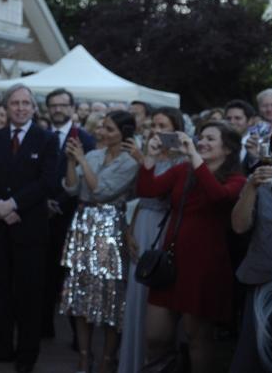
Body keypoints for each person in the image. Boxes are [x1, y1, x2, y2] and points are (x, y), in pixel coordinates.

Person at [137, 121, 246, 373]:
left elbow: (217, 196)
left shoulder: (237, 179)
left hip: (204, 266)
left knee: (197, 338)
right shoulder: (183, 170)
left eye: (210, 139)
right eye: (201, 137)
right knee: (155, 336)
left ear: (228, 148)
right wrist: (150, 158)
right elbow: (147, 189)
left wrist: (195, 157)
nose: (202, 142)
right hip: (171, 262)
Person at [0, 84, 58, 372]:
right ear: (7, 107)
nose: (20, 108)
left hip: (29, 230)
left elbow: (48, 182)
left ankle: (26, 355)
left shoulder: (46, 140)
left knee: (28, 295)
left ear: (34, 108)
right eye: (15, 103)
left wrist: (13, 204)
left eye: (25, 103)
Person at [59, 110, 139, 373]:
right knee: (80, 292)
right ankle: (84, 356)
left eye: (109, 129)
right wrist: (72, 161)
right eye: (102, 127)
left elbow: (101, 190)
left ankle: (107, 358)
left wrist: (81, 159)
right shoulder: (93, 155)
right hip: (83, 225)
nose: (102, 132)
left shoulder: (130, 163)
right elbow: (72, 188)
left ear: (124, 134)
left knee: (110, 296)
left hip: (110, 228)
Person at [118, 106, 186, 372]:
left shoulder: (182, 161)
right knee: (136, 295)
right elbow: (140, 199)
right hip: (141, 224)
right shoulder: (149, 155)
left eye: (162, 126)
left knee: (157, 296)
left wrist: (146, 160)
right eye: (153, 126)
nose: (156, 131)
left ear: (176, 130)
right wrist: (129, 230)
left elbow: (163, 195)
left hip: (165, 229)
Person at [229, 161, 272, 373]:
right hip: (263, 278)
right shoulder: (266, 180)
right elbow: (239, 226)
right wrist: (251, 186)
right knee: (253, 355)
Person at [42, 88, 97, 342]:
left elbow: (85, 179)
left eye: (63, 105)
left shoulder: (85, 139)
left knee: (72, 276)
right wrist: (44, 201)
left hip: (71, 215)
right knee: (44, 274)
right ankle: (44, 326)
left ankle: (79, 337)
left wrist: (60, 202)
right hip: (41, 214)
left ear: (72, 108)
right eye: (53, 105)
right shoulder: (41, 136)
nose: (57, 109)